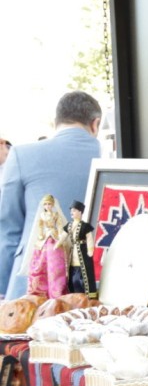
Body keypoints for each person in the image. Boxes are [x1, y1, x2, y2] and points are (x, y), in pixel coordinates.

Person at [0, 91, 102, 300]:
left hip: (31, 290)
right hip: (94, 292)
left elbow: (8, 232)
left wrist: (2, 290)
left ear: (57, 122)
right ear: (95, 123)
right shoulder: (108, 159)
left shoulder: (21, 155)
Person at [21, 194, 70, 299]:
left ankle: (56, 292)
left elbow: (60, 226)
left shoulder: (56, 215)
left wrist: (60, 236)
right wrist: (40, 234)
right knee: (40, 260)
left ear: (52, 205)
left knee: (55, 261)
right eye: (46, 204)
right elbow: (40, 226)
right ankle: (38, 291)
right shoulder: (42, 215)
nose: (48, 206)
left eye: (49, 204)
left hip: (54, 235)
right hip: (44, 237)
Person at [64, 200, 97, 298]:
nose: (72, 213)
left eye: (74, 210)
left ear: (80, 212)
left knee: (84, 275)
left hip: (83, 253)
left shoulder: (85, 226)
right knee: (73, 277)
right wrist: (58, 243)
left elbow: (90, 239)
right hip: (73, 253)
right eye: (71, 211)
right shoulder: (69, 225)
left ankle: (88, 295)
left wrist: (90, 250)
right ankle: (74, 294)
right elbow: (63, 235)